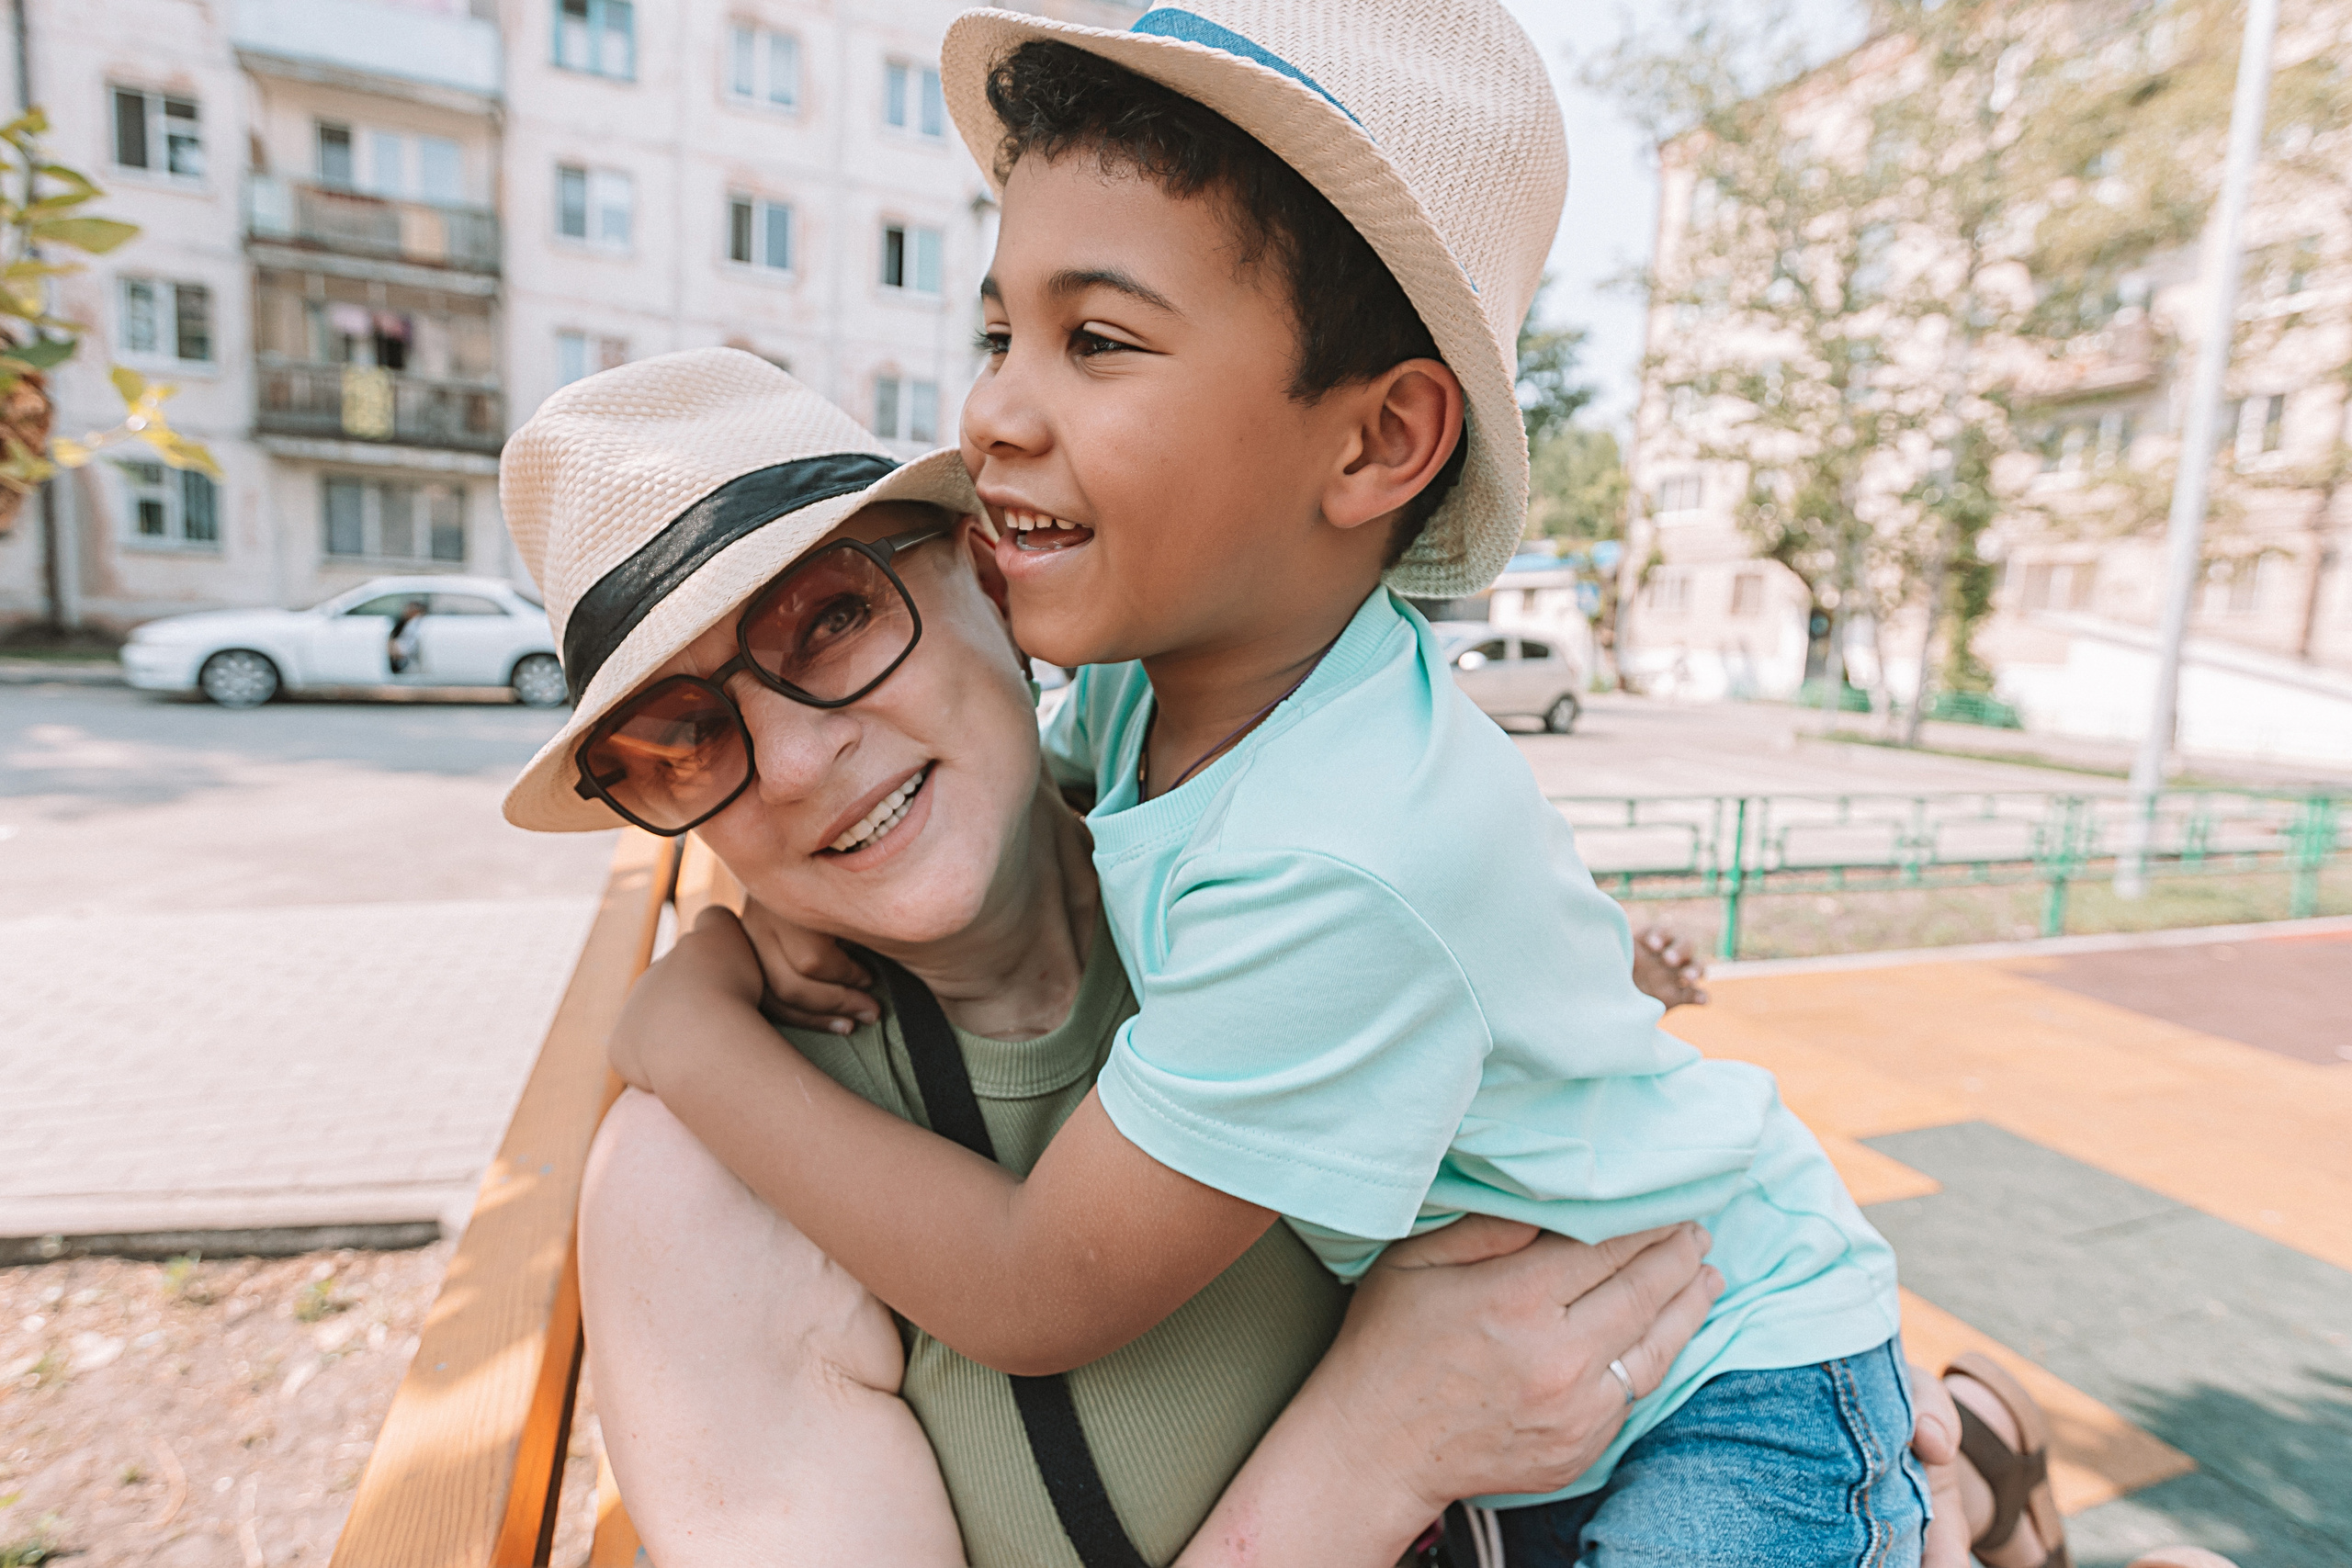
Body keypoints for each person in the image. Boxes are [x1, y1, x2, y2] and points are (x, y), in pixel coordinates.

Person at [619, 7, 1932, 1563]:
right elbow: (998, 812)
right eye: (999, 336)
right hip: (1569, 1359)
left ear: (1377, 441)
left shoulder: (1341, 857)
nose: (993, 414)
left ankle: (1960, 1456)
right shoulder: (1157, 684)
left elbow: (1033, 1290)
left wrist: (683, 1032)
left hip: (1731, 1381)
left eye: (1098, 341)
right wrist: (767, 894)